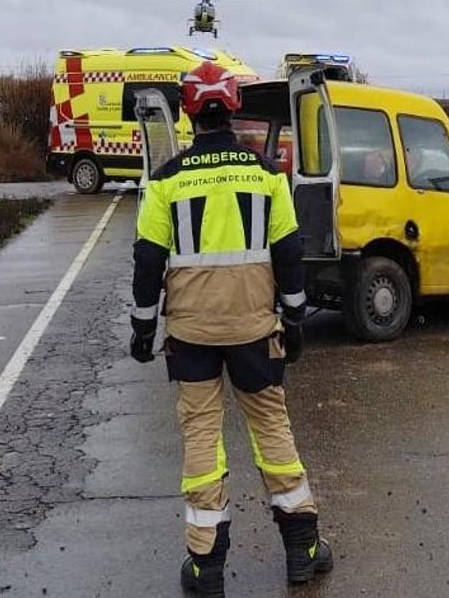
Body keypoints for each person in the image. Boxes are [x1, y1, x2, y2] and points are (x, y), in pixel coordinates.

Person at [129, 61, 332, 597]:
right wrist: (294, 320)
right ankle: (303, 549)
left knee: (201, 435)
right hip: (253, 328)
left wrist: (143, 327)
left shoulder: (167, 179)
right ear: (234, 108)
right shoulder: (267, 174)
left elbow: (148, 262)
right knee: (272, 430)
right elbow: (290, 252)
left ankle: (206, 566)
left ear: (189, 112)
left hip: (191, 333)